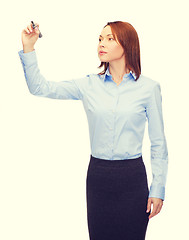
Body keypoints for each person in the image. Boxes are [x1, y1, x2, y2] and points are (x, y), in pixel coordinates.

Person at [18, 21, 168, 240]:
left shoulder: (148, 88)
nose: (102, 44)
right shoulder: (88, 85)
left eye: (109, 39)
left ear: (127, 44)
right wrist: (29, 48)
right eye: (99, 39)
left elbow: (158, 142)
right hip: (99, 177)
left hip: (132, 178)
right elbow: (40, 88)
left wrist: (158, 189)